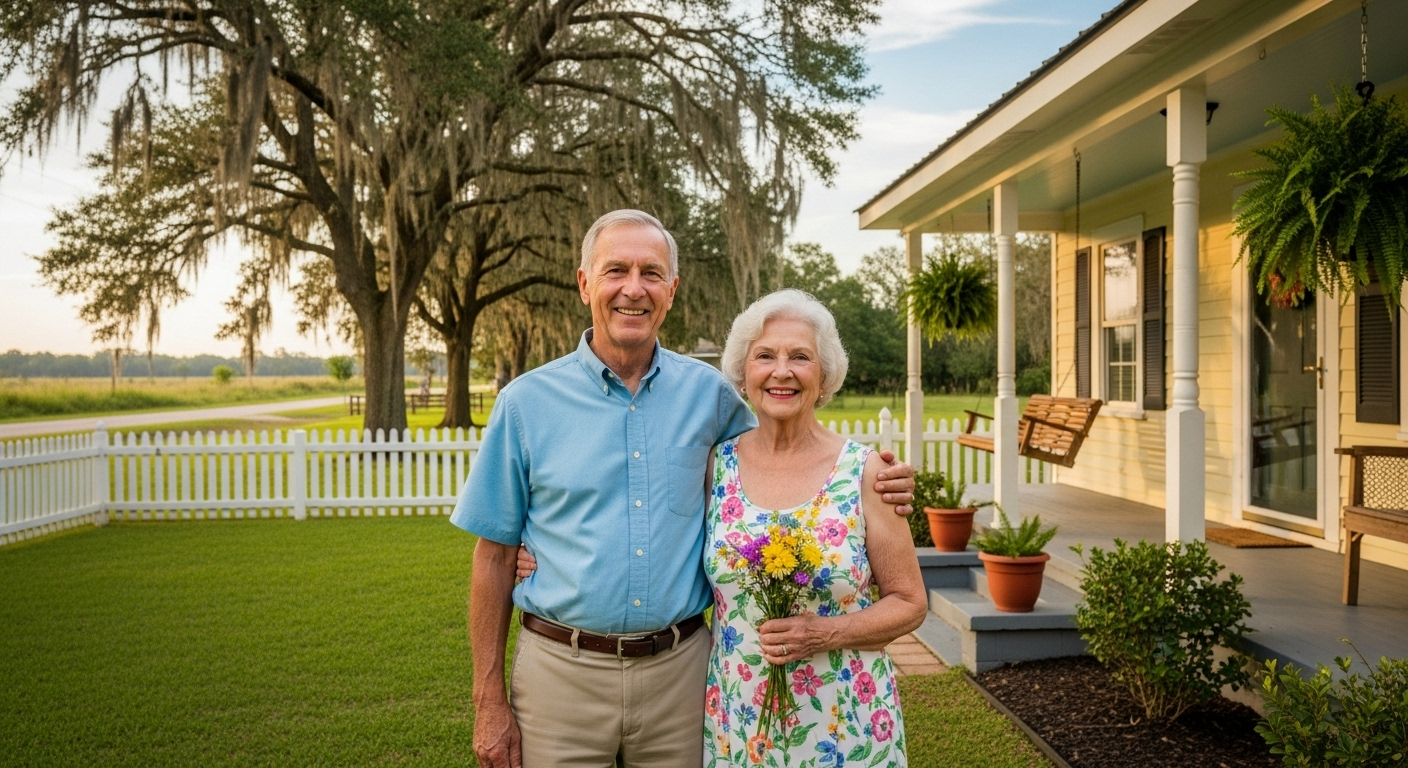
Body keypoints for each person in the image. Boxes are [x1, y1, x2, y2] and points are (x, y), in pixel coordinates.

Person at [450, 209, 916, 768]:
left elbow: (788, 449)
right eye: (615, 270)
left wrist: (881, 478)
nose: (633, 289)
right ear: (584, 283)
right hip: (560, 671)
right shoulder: (525, 404)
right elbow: (494, 556)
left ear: (671, 291)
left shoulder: (711, 397)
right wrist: (487, 700)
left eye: (651, 273)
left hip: (682, 675)